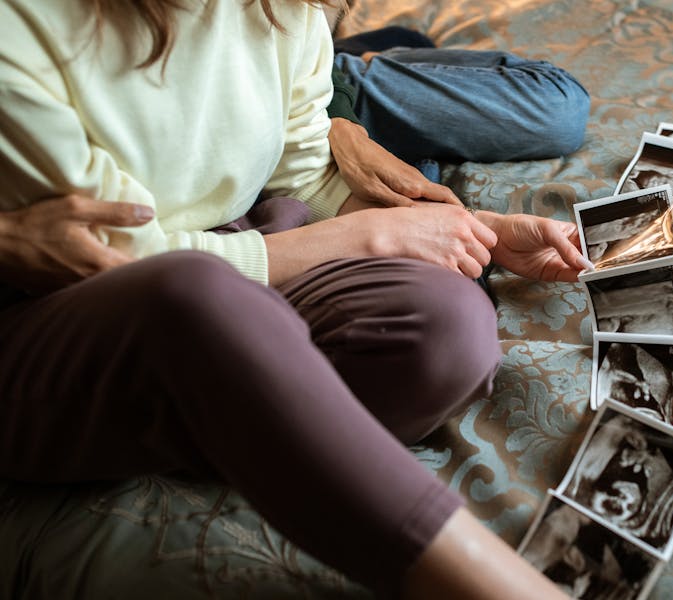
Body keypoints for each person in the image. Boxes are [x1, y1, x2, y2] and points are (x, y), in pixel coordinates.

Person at [0, 1, 588, 598]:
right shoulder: (19, 29)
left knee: (449, 330)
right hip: (61, 307)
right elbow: (101, 257)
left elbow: (309, 178)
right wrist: (351, 238)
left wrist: (476, 229)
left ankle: (236, 406)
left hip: (228, 258)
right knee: (197, 297)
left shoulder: (284, 9)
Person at [323, 26, 591, 209]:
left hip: (330, 83)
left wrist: (341, 121)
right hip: (327, 84)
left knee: (560, 107)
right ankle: (374, 56)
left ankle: (369, 58)